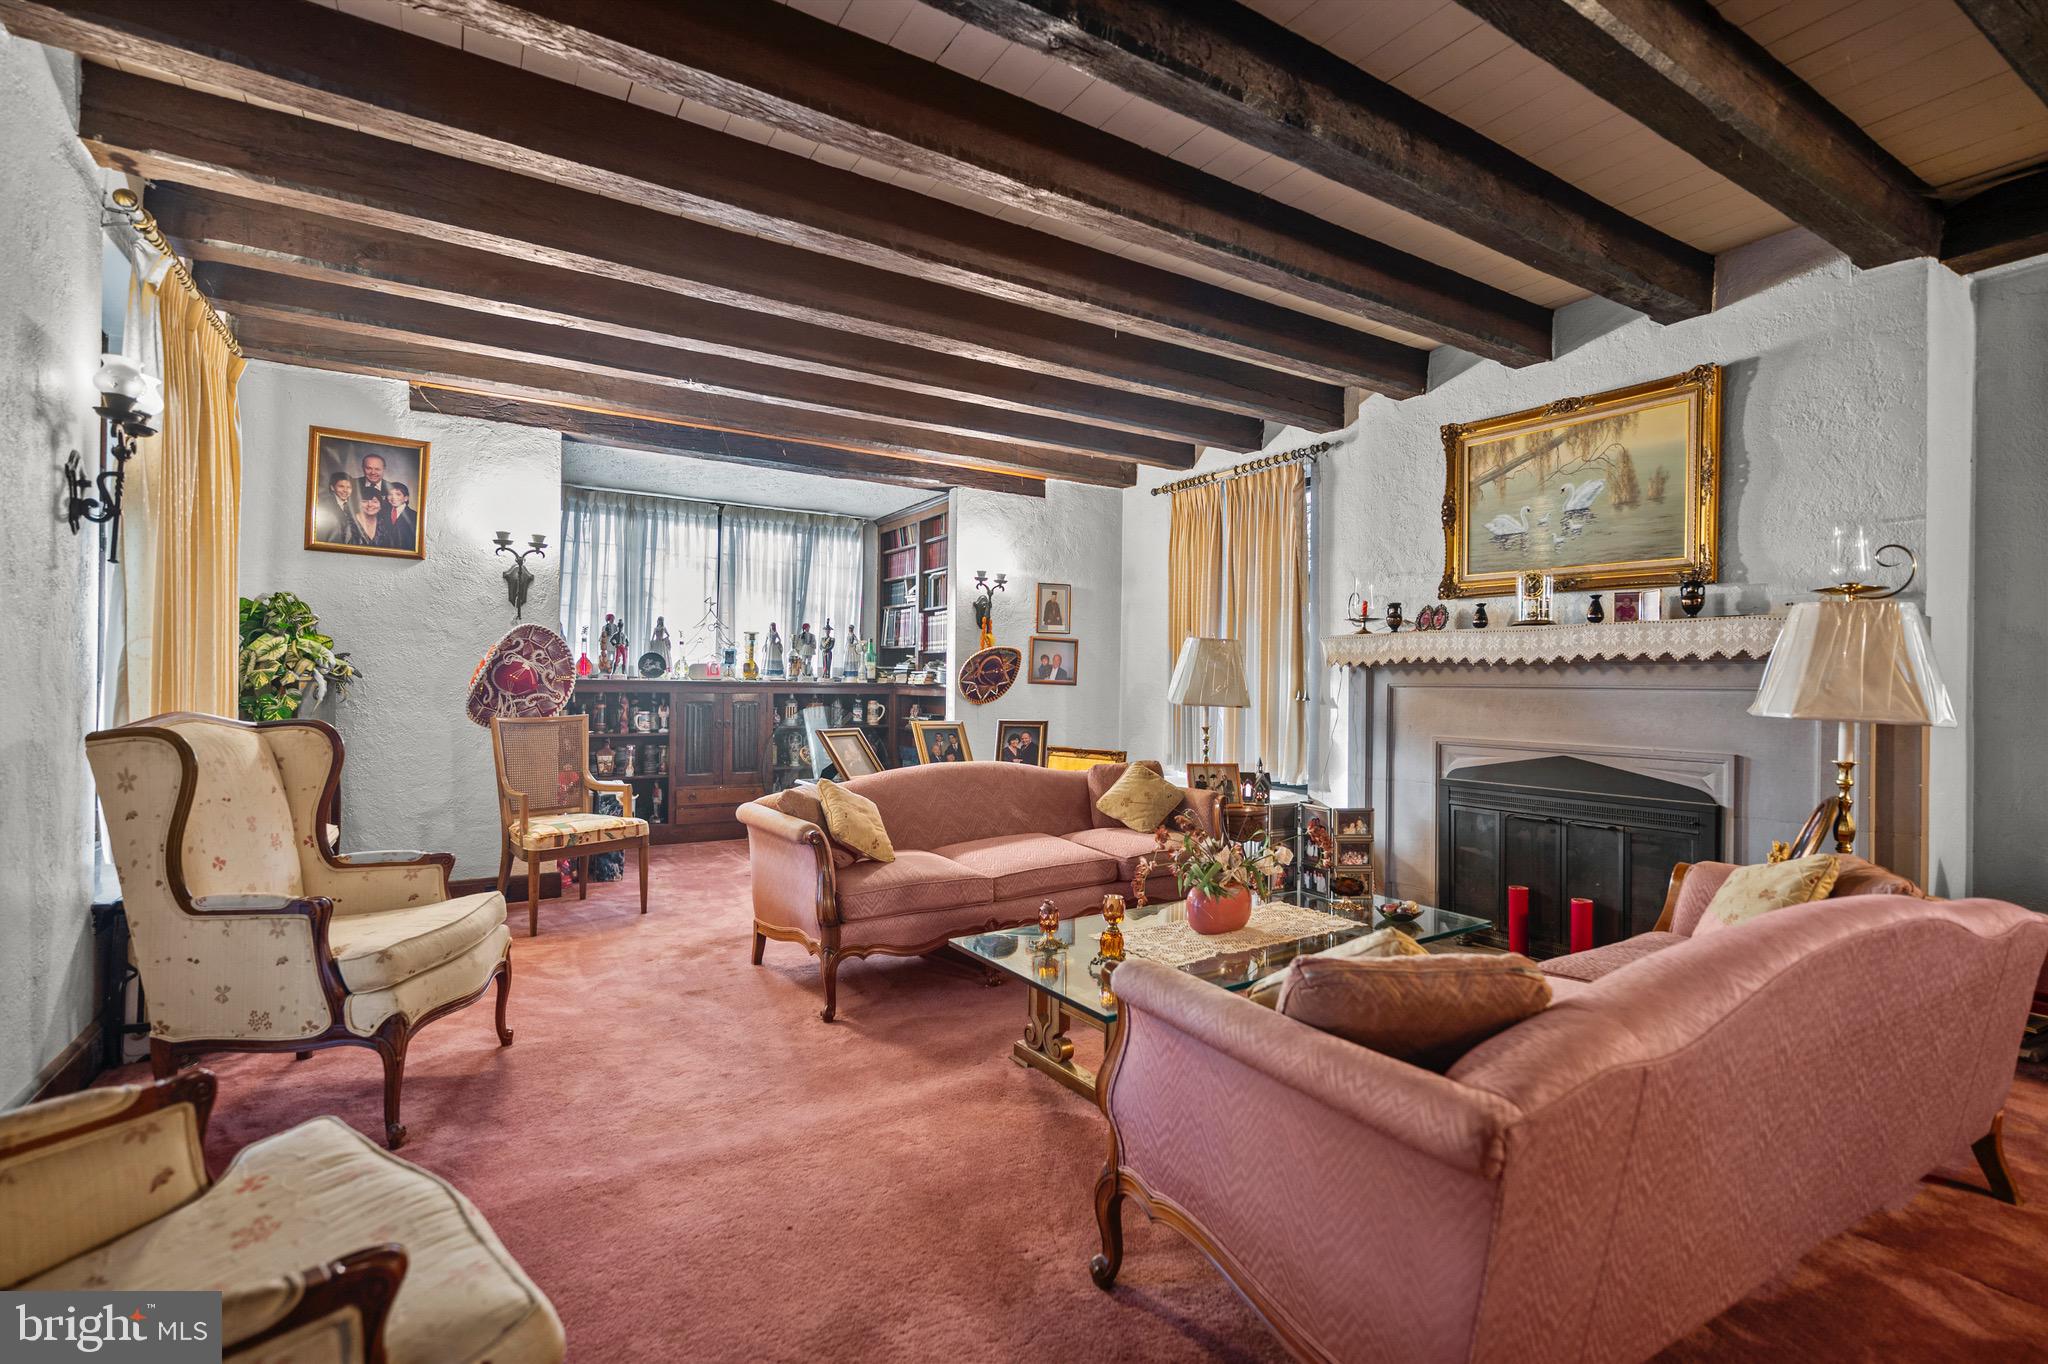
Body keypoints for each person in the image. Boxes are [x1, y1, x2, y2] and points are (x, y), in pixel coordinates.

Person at [356, 452, 393, 526]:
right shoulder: (351, 485)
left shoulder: (392, 489)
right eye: (369, 468)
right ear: (363, 468)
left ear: (383, 469)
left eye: (377, 469)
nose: (373, 472)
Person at [382, 481, 418, 551]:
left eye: (398, 494)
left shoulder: (414, 516)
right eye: (390, 494)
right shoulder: (383, 513)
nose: (393, 497)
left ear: (406, 498)